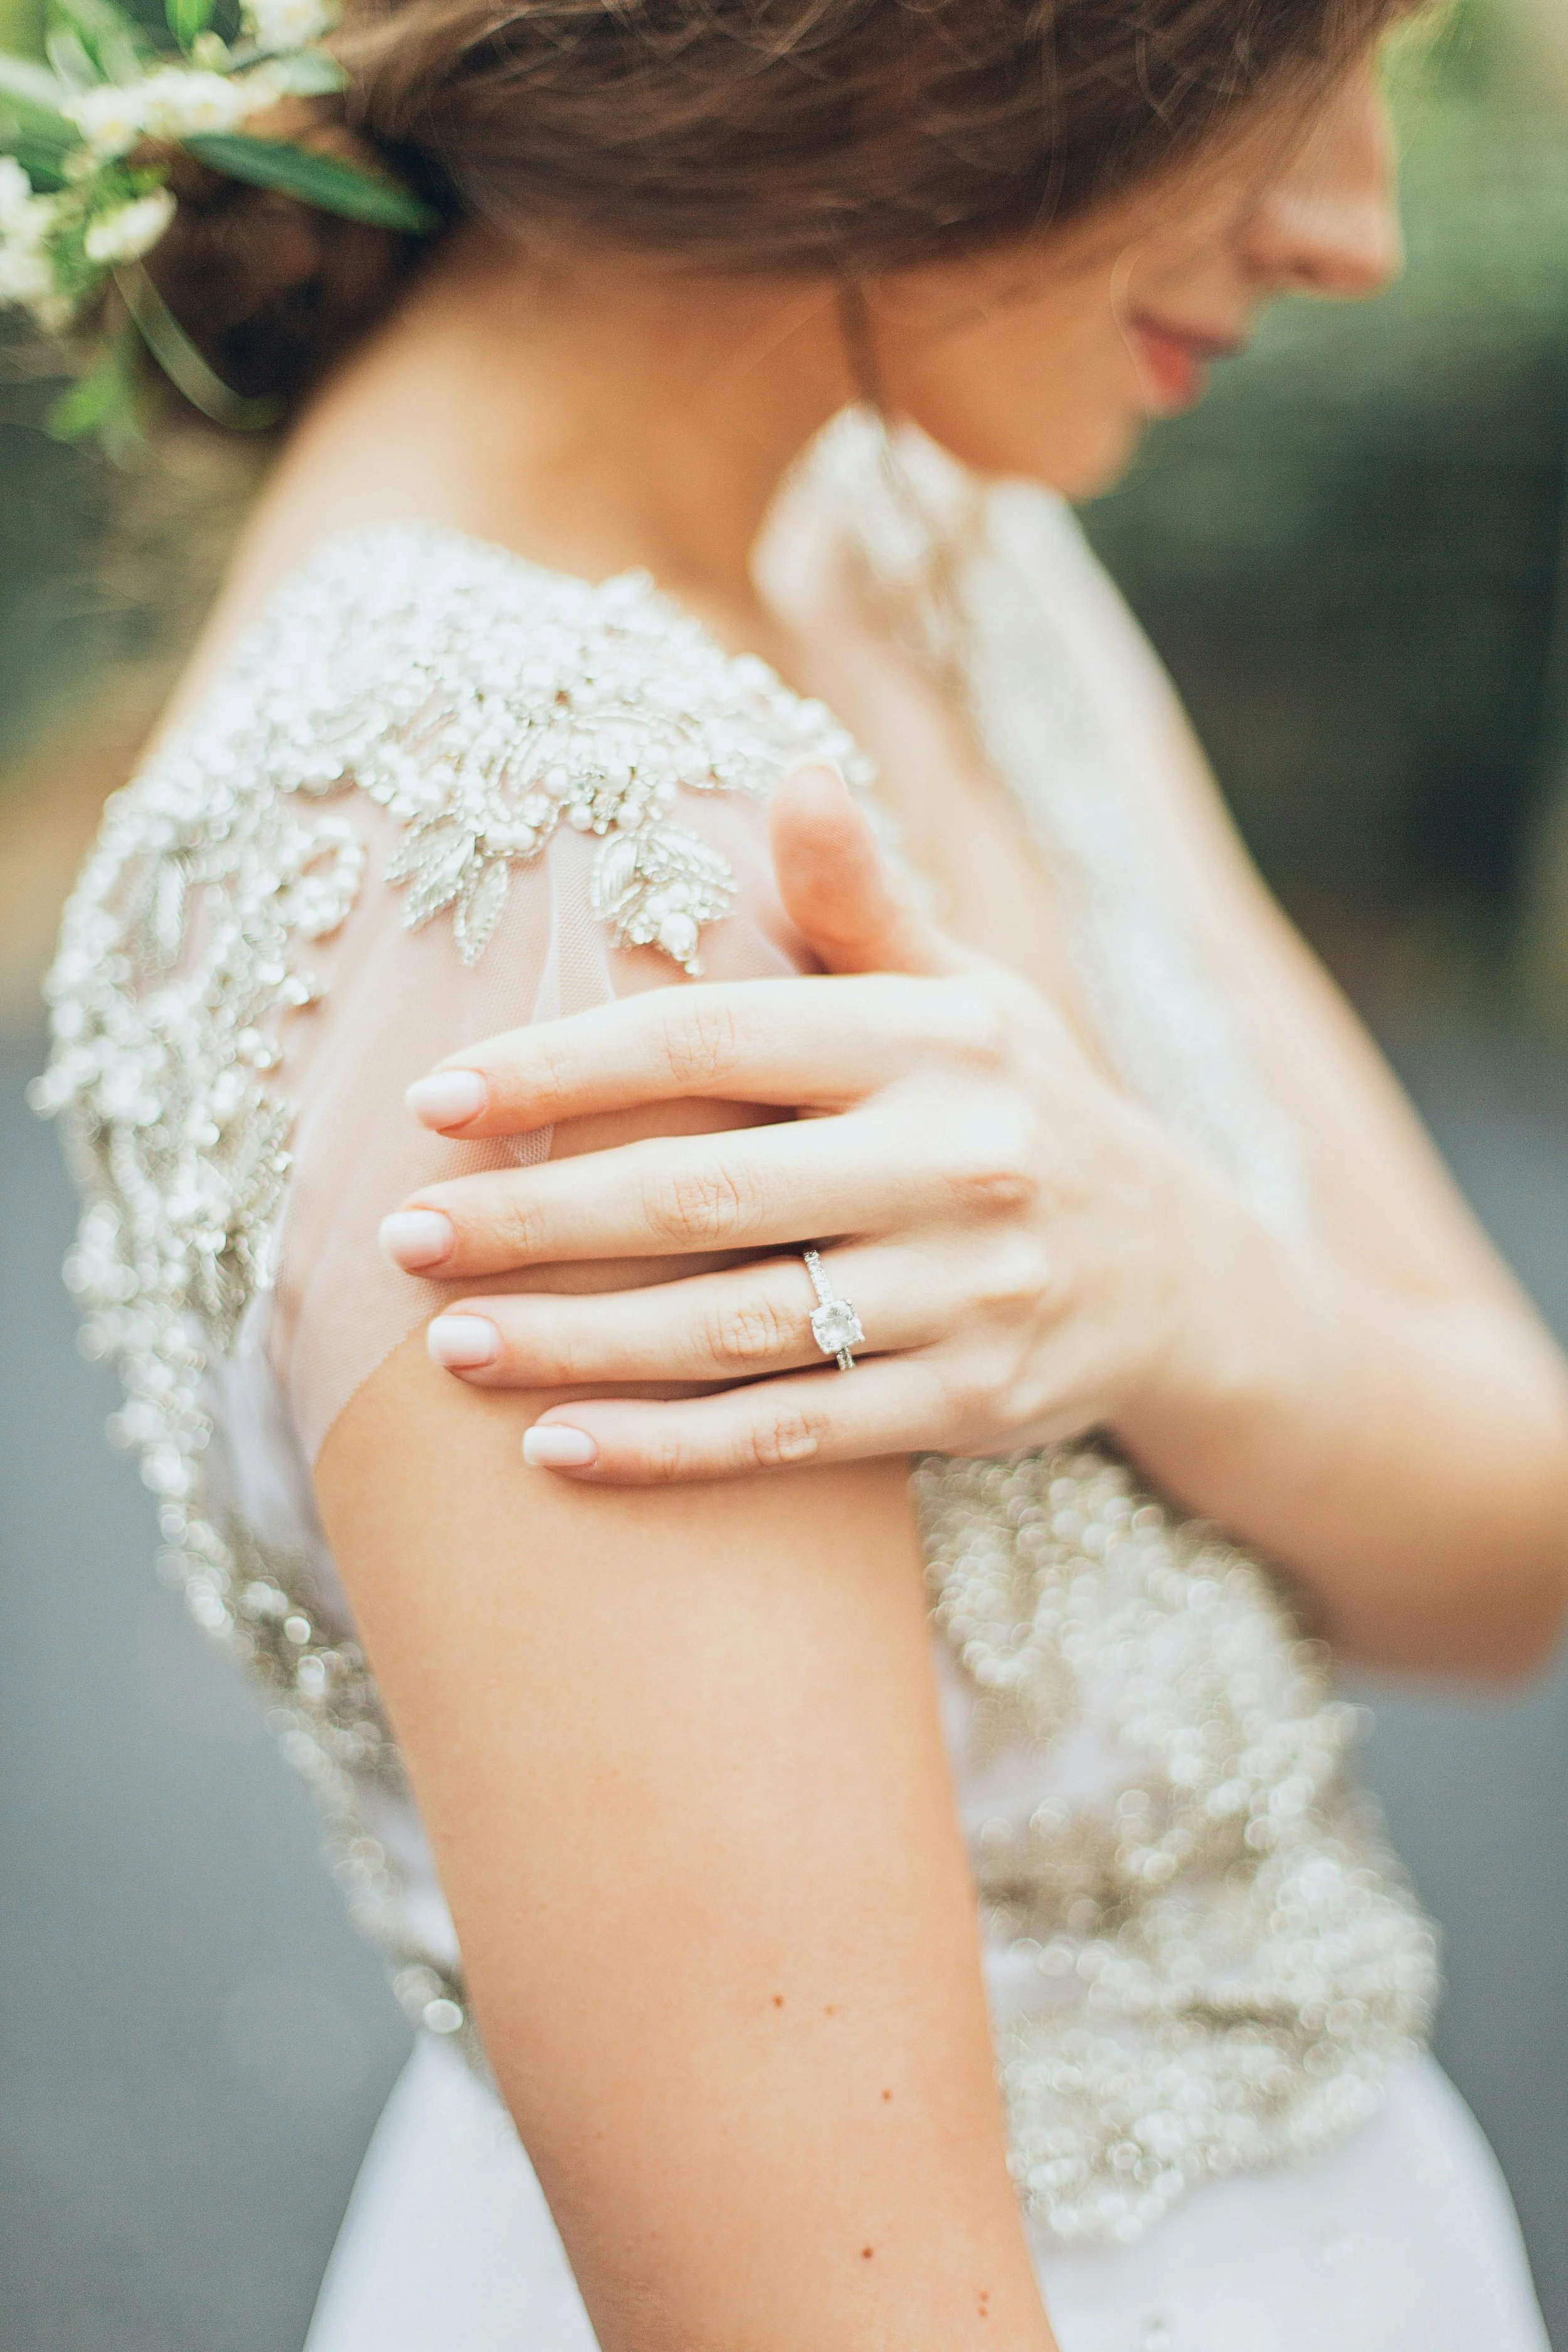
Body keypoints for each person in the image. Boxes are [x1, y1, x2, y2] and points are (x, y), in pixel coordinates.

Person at [33, 1, 1568, 2346]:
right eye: (1290, 63)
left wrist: (1181, 1293)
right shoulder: (520, 851)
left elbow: (1513, 1536)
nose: (1352, 226)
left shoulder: (918, 522)